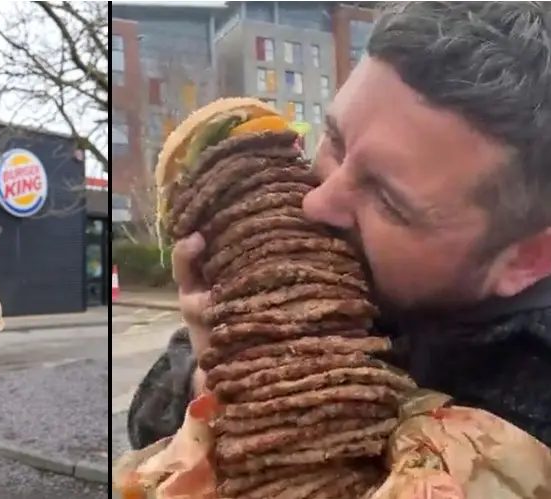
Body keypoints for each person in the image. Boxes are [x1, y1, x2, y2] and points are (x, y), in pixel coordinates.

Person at [128, 0, 551, 451]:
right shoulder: (317, 262)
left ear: (526, 259)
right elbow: (143, 431)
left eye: (387, 199)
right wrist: (216, 372)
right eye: (333, 139)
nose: (315, 202)